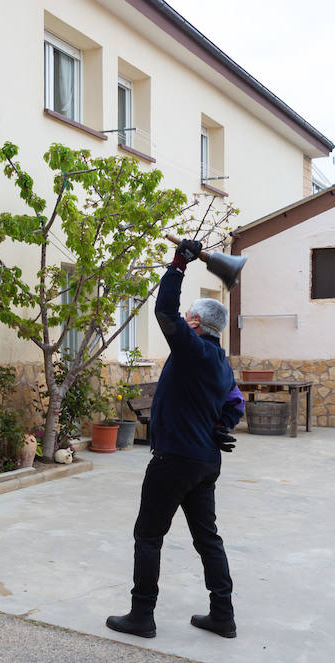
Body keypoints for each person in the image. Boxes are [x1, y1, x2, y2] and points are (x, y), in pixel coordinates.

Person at [106, 239, 244, 640]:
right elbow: (235, 403)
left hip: (174, 461)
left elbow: (164, 310)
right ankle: (223, 615)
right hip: (205, 463)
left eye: (189, 318)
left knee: (148, 536)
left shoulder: (193, 351)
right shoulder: (220, 362)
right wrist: (223, 426)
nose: (183, 320)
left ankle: (142, 616)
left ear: (197, 325)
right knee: (208, 539)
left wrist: (178, 265)